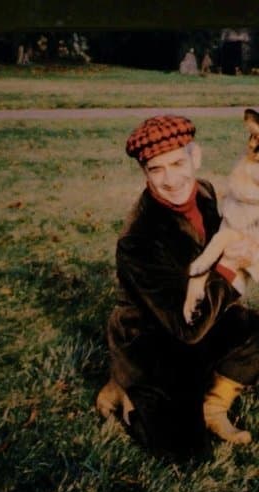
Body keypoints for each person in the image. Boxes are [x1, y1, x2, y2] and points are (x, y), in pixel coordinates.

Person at [97, 115, 259, 457]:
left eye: (177, 163)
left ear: (195, 157)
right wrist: (230, 266)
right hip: (156, 340)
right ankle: (127, 390)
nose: (171, 180)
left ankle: (213, 406)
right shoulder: (138, 239)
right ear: (144, 173)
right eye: (156, 169)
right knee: (187, 453)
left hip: (201, 317)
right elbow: (187, 329)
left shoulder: (204, 192)